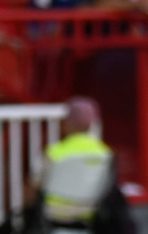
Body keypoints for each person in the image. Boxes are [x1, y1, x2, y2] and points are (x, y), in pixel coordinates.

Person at [33, 97, 129, 233]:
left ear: (66, 123)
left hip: (55, 218)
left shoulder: (53, 153)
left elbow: (36, 185)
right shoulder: (106, 154)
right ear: (90, 124)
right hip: (91, 216)